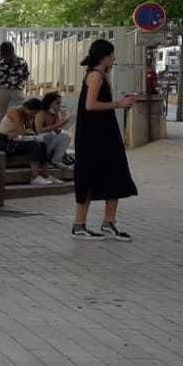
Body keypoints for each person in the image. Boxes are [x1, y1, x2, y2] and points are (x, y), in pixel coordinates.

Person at [72, 38, 138, 241]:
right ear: (104, 57)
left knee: (115, 173)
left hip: (106, 133)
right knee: (88, 176)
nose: (114, 59)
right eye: (112, 55)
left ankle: (109, 221)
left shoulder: (101, 75)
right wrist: (118, 104)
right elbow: (90, 105)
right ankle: (79, 224)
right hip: (93, 136)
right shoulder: (95, 76)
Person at [0, 99, 59, 186]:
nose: (33, 116)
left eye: (35, 114)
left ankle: (46, 175)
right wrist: (24, 132)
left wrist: (26, 132)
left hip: (13, 139)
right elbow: (21, 131)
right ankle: (34, 177)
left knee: (42, 144)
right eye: (32, 113)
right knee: (34, 145)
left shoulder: (27, 115)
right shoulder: (14, 111)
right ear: (26, 107)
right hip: (2, 141)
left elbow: (29, 131)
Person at [0, 41, 30, 127]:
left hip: (2, 91)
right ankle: (13, 133)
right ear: (12, 49)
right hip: (17, 91)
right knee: (16, 115)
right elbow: (26, 76)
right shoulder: (22, 61)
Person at [33, 91, 73, 166]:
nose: (59, 105)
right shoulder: (41, 114)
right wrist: (58, 125)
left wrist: (64, 122)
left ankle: (56, 160)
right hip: (41, 140)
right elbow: (39, 130)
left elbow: (57, 131)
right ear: (49, 104)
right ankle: (44, 159)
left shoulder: (56, 113)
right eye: (57, 103)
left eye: (60, 103)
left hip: (50, 139)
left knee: (66, 136)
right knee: (49, 135)